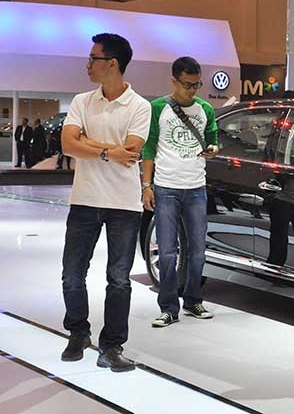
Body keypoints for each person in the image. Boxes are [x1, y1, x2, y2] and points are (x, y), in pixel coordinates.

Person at [59, 33, 151, 372]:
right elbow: (68, 145)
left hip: (123, 204)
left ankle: (112, 346)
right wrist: (108, 151)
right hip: (84, 199)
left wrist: (88, 142)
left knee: (119, 279)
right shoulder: (82, 101)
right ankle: (78, 333)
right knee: (72, 274)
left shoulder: (139, 106)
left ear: (112, 63)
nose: (87, 64)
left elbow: (132, 151)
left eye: (93, 58)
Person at [142, 57, 219, 328]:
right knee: (166, 252)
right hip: (166, 188)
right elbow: (148, 148)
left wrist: (213, 149)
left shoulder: (205, 108)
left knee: (198, 251)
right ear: (174, 81)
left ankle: (193, 300)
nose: (192, 90)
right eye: (187, 84)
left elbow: (214, 140)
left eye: (197, 84)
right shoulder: (158, 108)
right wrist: (147, 186)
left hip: (196, 187)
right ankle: (168, 307)